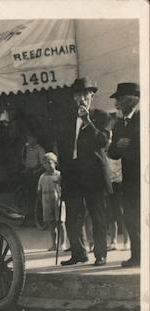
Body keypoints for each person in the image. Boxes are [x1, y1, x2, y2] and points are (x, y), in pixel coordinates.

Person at [57, 78, 112, 266]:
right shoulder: (66, 120)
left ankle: (101, 254)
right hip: (73, 175)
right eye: (78, 94)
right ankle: (78, 253)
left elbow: (103, 142)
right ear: (74, 97)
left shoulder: (102, 116)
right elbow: (63, 147)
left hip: (93, 175)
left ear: (92, 96)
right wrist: (61, 172)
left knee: (97, 215)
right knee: (73, 215)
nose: (82, 98)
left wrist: (89, 121)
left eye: (85, 94)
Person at [108, 82, 140, 267]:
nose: (116, 103)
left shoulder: (142, 118)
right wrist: (120, 145)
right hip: (129, 180)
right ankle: (137, 255)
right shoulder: (120, 124)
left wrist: (127, 145)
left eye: (119, 99)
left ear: (131, 99)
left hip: (143, 178)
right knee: (130, 217)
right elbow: (112, 151)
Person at [37, 152, 65, 251]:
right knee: (51, 224)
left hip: (58, 201)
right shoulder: (42, 177)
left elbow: (63, 188)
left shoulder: (59, 175)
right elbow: (39, 191)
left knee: (60, 222)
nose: (47, 165)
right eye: (45, 163)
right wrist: (42, 201)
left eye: (49, 163)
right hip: (47, 201)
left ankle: (63, 243)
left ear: (55, 163)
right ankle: (54, 243)